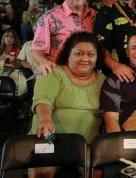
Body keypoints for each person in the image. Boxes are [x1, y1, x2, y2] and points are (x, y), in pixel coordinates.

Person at [28, 32, 105, 178]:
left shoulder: (104, 81)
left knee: (95, 173)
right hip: (51, 142)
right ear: (68, 55)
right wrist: (45, 119)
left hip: (87, 145)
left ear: (97, 58)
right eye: (79, 53)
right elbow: (43, 100)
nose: (85, 58)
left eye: (91, 54)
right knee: (41, 173)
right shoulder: (53, 73)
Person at [32, 0, 96, 76]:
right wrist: (44, 62)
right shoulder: (49, 17)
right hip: (59, 77)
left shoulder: (95, 16)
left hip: (88, 78)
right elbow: (37, 50)